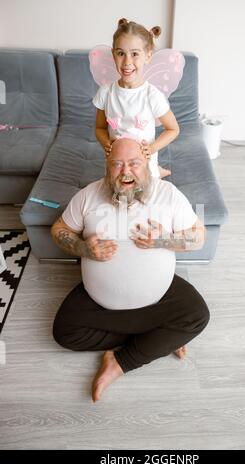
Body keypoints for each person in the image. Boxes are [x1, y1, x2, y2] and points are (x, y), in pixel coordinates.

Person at [51, 138, 210, 402]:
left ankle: (120, 361)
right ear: (107, 166)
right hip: (98, 299)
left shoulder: (168, 194)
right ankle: (162, 335)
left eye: (134, 163)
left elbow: (199, 237)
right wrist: (83, 248)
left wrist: (163, 240)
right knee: (65, 332)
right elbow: (59, 230)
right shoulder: (89, 195)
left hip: (160, 295)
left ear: (146, 164)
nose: (126, 171)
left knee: (197, 315)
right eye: (117, 164)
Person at [92, 18, 181, 179]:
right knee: (115, 194)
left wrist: (153, 148)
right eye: (121, 54)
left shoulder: (152, 96)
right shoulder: (106, 93)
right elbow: (99, 128)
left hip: (144, 163)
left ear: (148, 56)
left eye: (134, 54)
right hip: (118, 163)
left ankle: (158, 171)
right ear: (113, 55)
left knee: (146, 195)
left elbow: (173, 129)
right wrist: (106, 142)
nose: (127, 62)